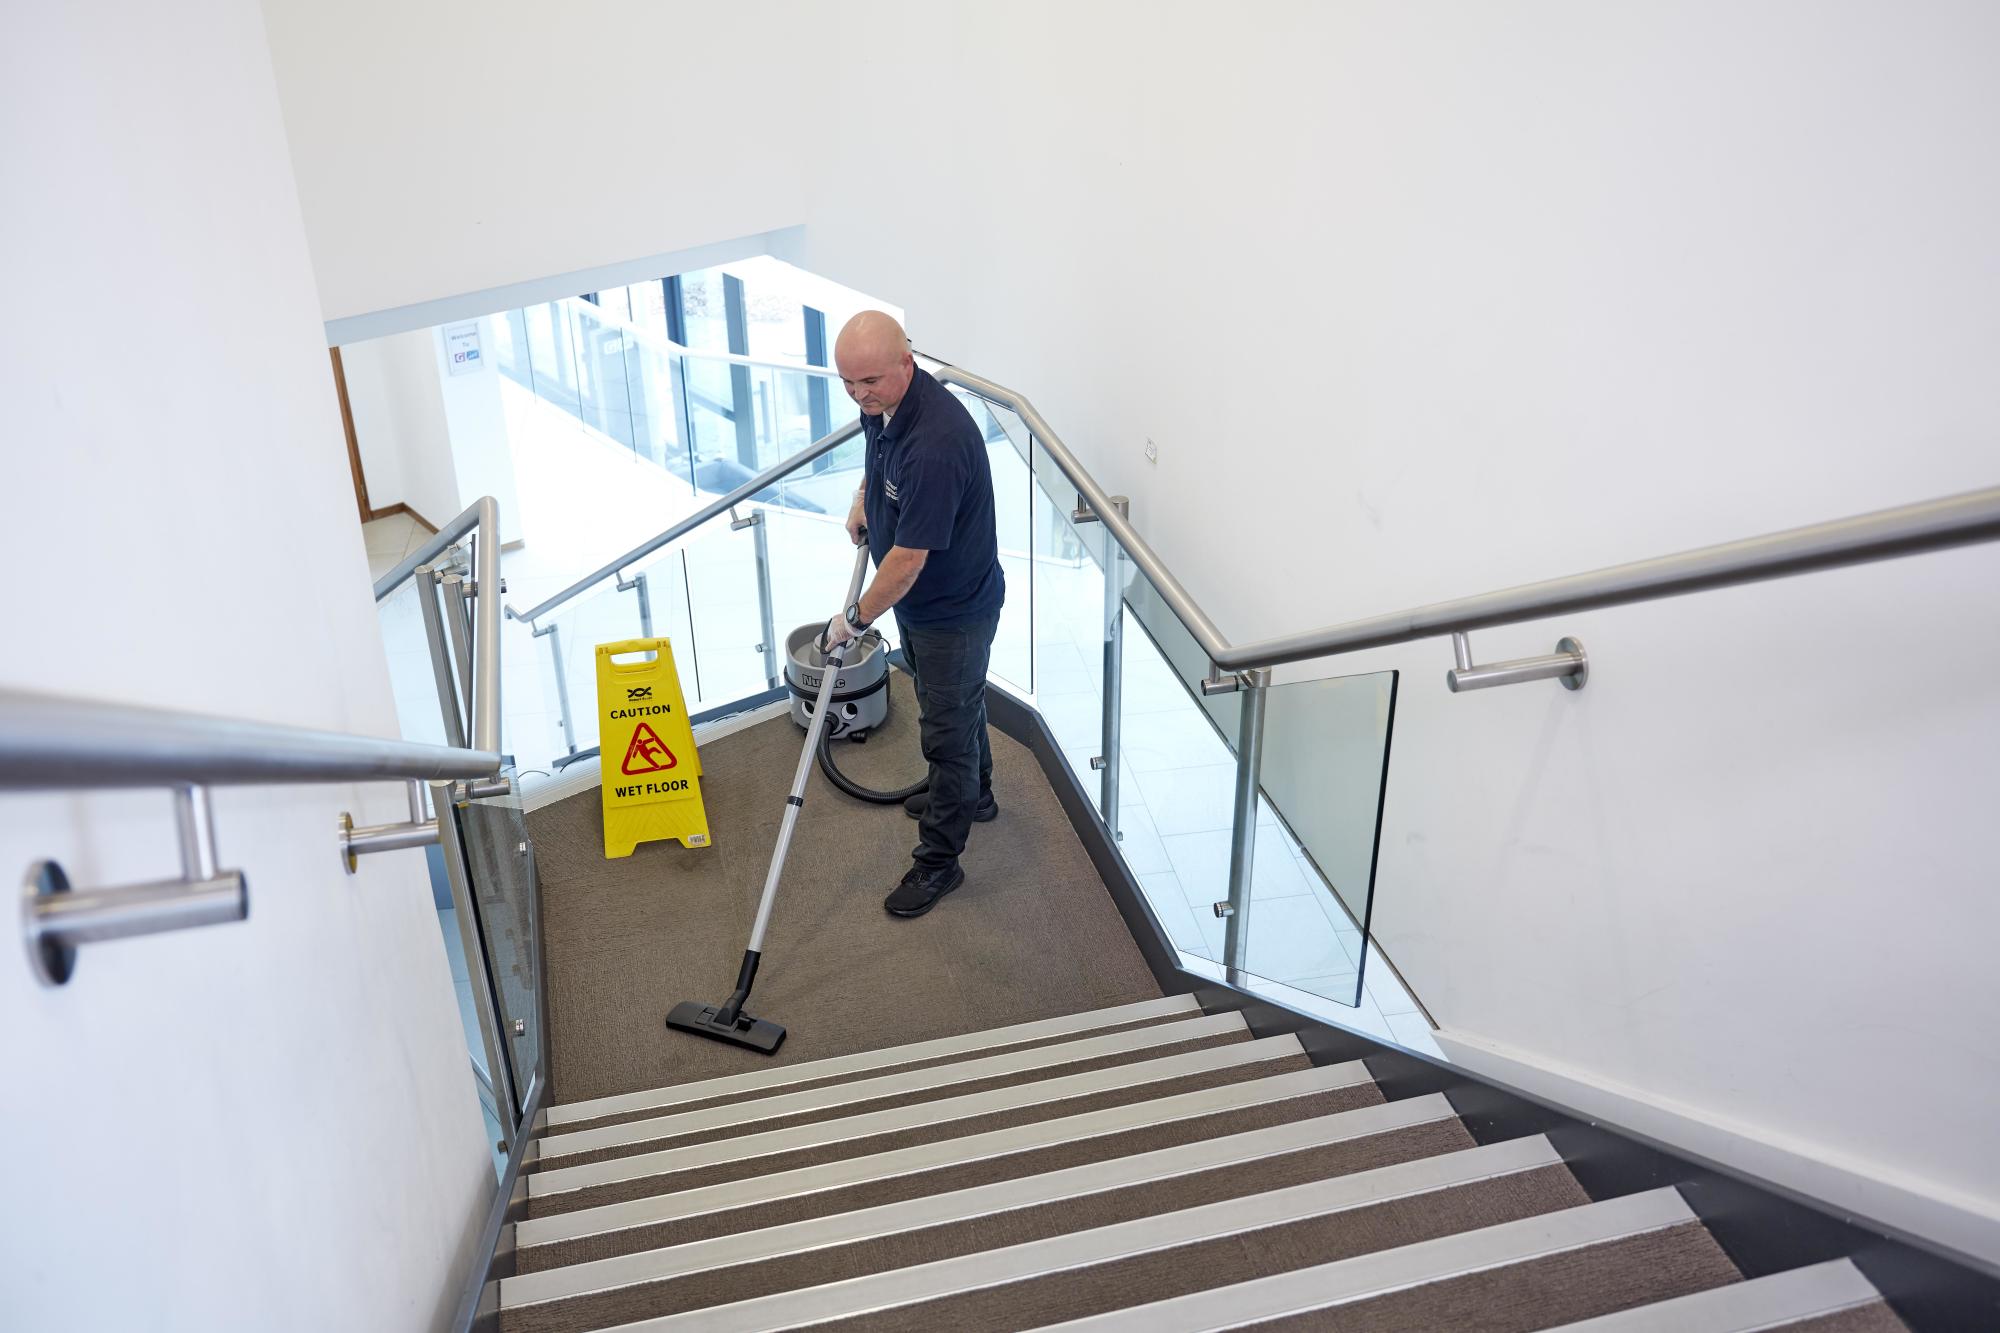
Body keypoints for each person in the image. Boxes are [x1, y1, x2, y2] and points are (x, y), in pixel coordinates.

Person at [822, 311, 1006, 918]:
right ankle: (974, 794)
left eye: (869, 381)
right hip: (923, 606)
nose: (859, 395)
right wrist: (863, 500)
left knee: (945, 733)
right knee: (947, 699)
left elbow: (904, 565)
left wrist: (852, 619)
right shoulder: (885, 407)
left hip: (952, 610)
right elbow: (879, 459)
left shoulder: (936, 443)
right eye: (848, 384)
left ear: (908, 363)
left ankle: (938, 864)